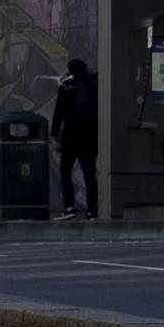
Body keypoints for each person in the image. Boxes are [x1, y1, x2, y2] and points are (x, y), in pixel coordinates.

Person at [51, 59, 99, 219]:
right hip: (90, 136)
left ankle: (70, 207)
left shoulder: (66, 86)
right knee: (89, 173)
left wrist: (54, 135)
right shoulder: (94, 84)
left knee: (65, 170)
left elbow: (59, 112)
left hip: (70, 135)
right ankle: (92, 210)